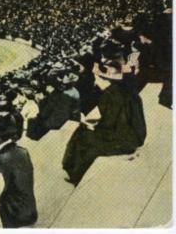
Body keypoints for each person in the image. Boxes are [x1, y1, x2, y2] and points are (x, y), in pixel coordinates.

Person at [61, 47, 147, 185]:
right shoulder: (127, 87)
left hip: (127, 139)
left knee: (85, 138)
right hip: (136, 132)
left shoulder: (109, 95)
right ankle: (70, 168)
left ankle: (74, 175)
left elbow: (108, 124)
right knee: (83, 133)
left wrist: (92, 126)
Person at [0, 118, 38, 228]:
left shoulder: (2, 159)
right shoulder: (22, 151)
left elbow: (0, 189)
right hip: (29, 208)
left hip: (15, 214)